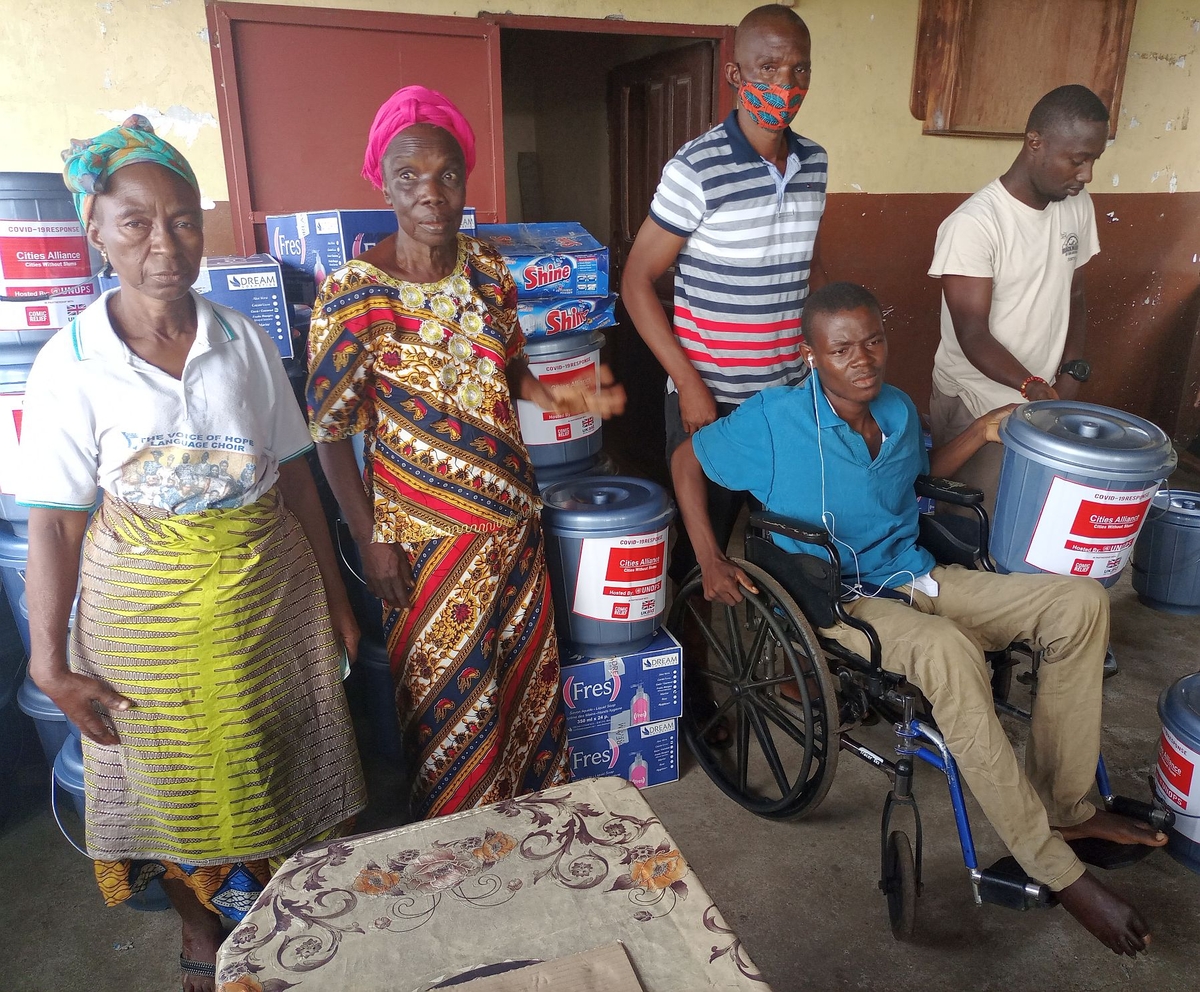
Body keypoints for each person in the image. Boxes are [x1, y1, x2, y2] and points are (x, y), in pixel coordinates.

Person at [670, 282, 1168, 957]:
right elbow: (686, 458)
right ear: (809, 353)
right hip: (840, 598)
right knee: (947, 653)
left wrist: (982, 430)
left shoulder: (899, 410)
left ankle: (1069, 810)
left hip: (921, 575)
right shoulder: (773, 419)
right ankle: (1058, 868)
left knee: (1079, 601)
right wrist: (708, 554)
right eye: (841, 347)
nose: (862, 359)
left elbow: (914, 479)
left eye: (872, 341)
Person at [19, 117, 367, 992]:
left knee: (276, 753)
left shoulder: (243, 342)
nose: (164, 244)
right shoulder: (71, 365)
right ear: (95, 230)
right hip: (144, 620)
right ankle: (200, 934)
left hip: (267, 602)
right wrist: (48, 661)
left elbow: (295, 485)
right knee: (169, 782)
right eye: (135, 221)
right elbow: (56, 525)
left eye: (182, 219)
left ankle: (283, 913)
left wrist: (335, 596)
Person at [307, 86, 626, 820]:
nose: (431, 194)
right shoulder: (355, 295)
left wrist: (574, 398)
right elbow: (328, 435)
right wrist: (370, 539)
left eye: (448, 174)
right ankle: (460, 851)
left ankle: (529, 833)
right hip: (425, 543)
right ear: (382, 183)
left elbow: (508, 371)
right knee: (450, 703)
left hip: (513, 523)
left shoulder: (487, 271)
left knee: (525, 686)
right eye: (411, 177)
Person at [621, 4, 826, 740]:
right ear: (736, 74)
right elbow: (637, 281)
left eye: (798, 68)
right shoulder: (697, 166)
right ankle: (691, 698)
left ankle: (782, 675)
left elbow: (796, 268)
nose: (786, 83)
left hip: (786, 399)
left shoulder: (815, 164)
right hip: (709, 400)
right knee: (697, 555)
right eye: (768, 68)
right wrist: (691, 380)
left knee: (785, 546)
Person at [928, 85, 1108, 513]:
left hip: (1042, 398)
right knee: (975, 523)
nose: (1086, 175)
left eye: (1094, 160)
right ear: (1035, 143)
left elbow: (1075, 294)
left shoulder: (1076, 206)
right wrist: (1033, 387)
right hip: (977, 402)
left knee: (1029, 517)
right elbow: (971, 331)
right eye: (1078, 159)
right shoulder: (975, 225)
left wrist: (1070, 376)